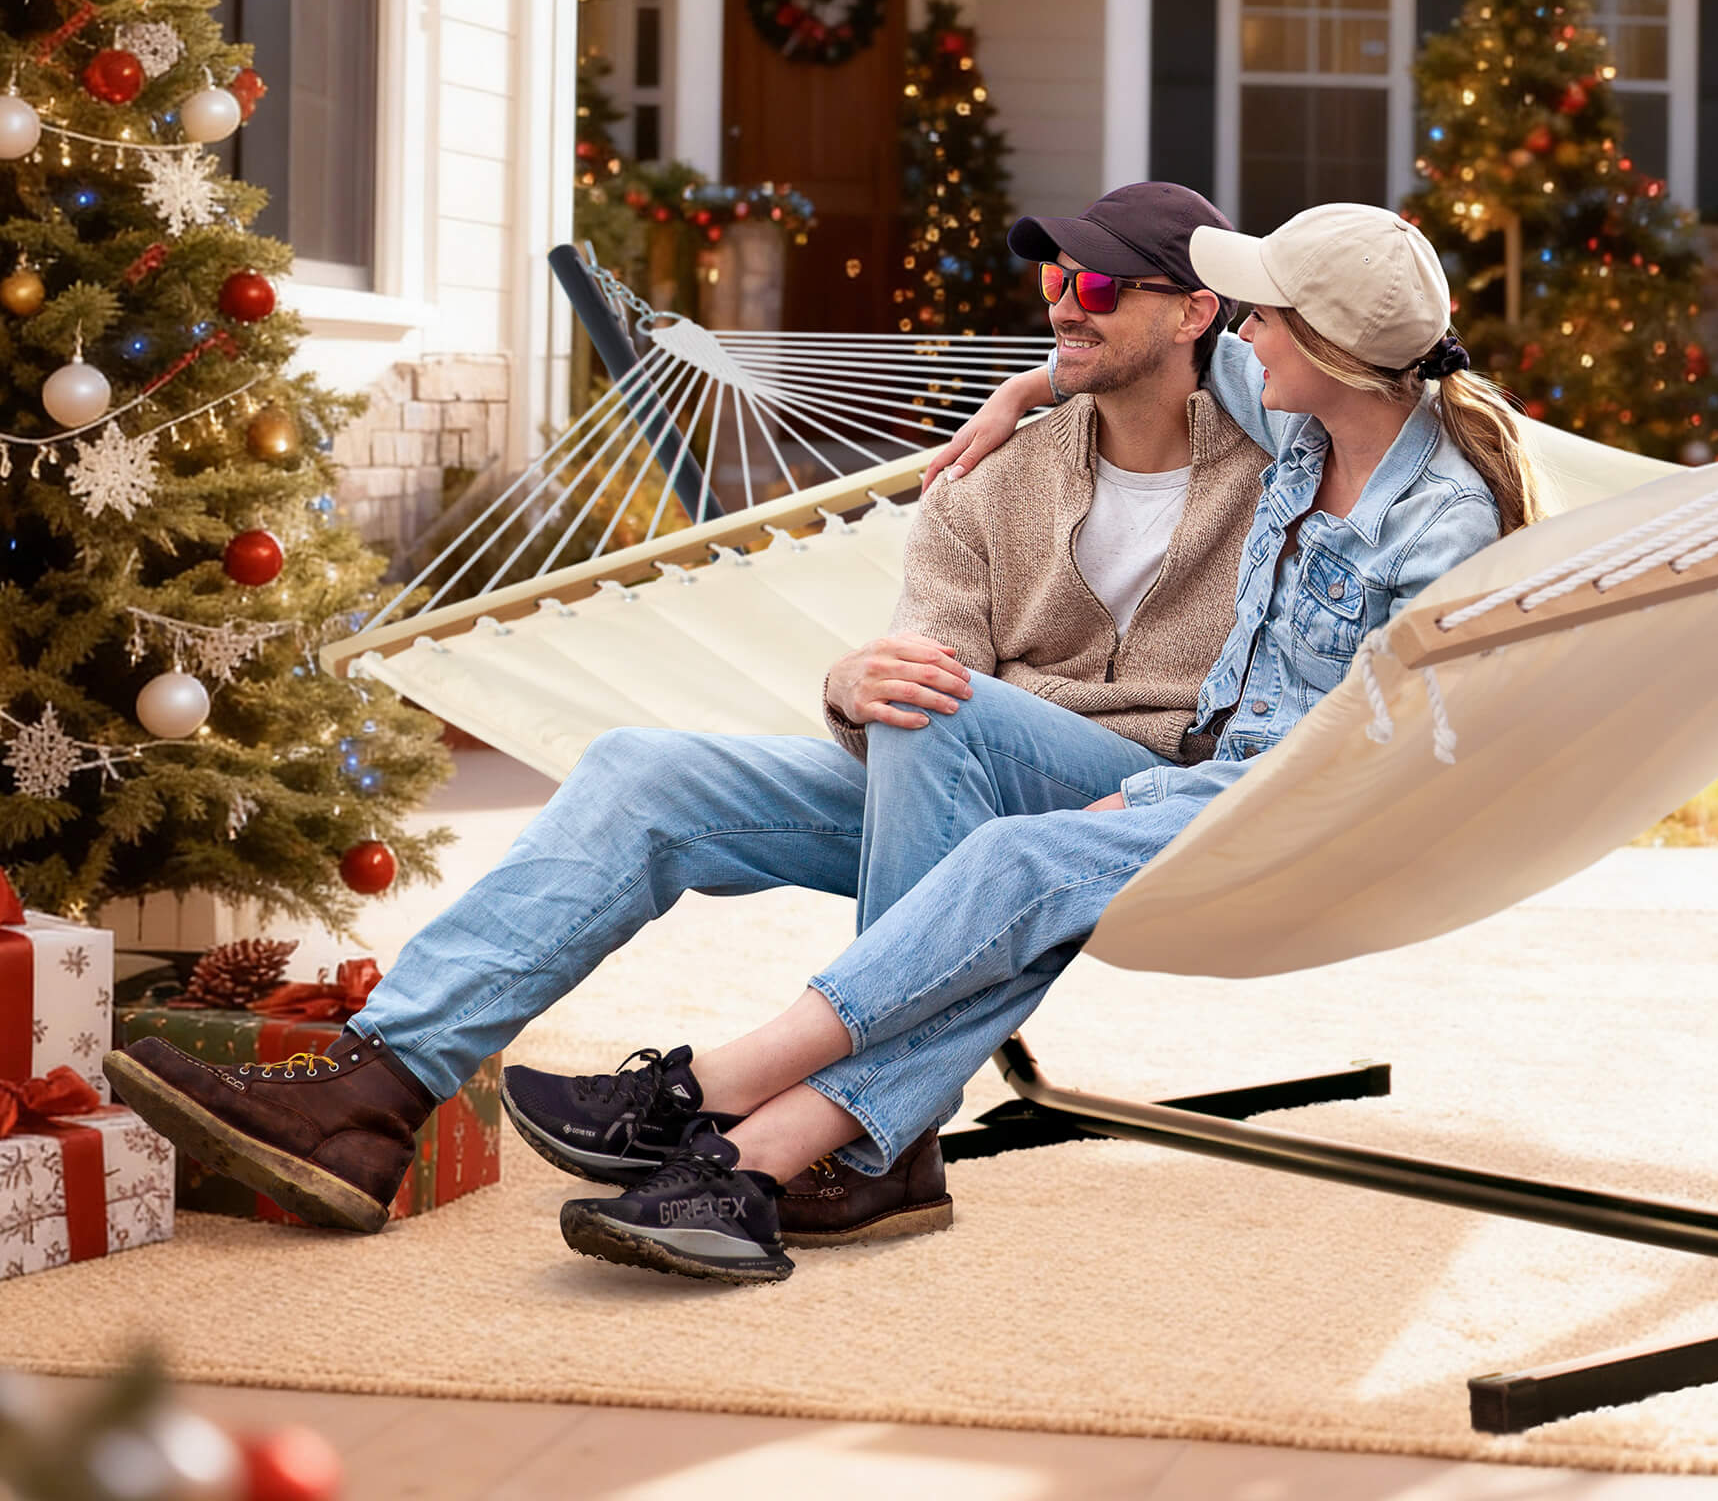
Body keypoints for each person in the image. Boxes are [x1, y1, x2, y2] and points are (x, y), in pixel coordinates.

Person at [105, 183, 1272, 1242]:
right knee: (645, 767)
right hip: (967, 778)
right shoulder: (988, 477)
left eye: (1105, 286)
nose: (1067, 306)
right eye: (1055, 281)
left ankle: (871, 1132)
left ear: (1196, 313)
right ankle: (378, 1089)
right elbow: (930, 666)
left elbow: (1382, 381)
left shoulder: (1282, 456)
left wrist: (1024, 387)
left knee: (940, 708)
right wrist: (846, 687)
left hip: (1162, 806)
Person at [548, 201, 1547, 1284]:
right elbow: (1139, 367)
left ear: (1329, 348)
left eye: (1263, 314)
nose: (1243, 332)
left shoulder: (1440, 521)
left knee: (1015, 861)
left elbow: (1374, 751)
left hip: (1299, 819)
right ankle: (756, 1164)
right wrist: (1024, 392)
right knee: (970, 777)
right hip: (1214, 777)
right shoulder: (1303, 423)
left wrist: (1159, 806)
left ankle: (712, 1093)